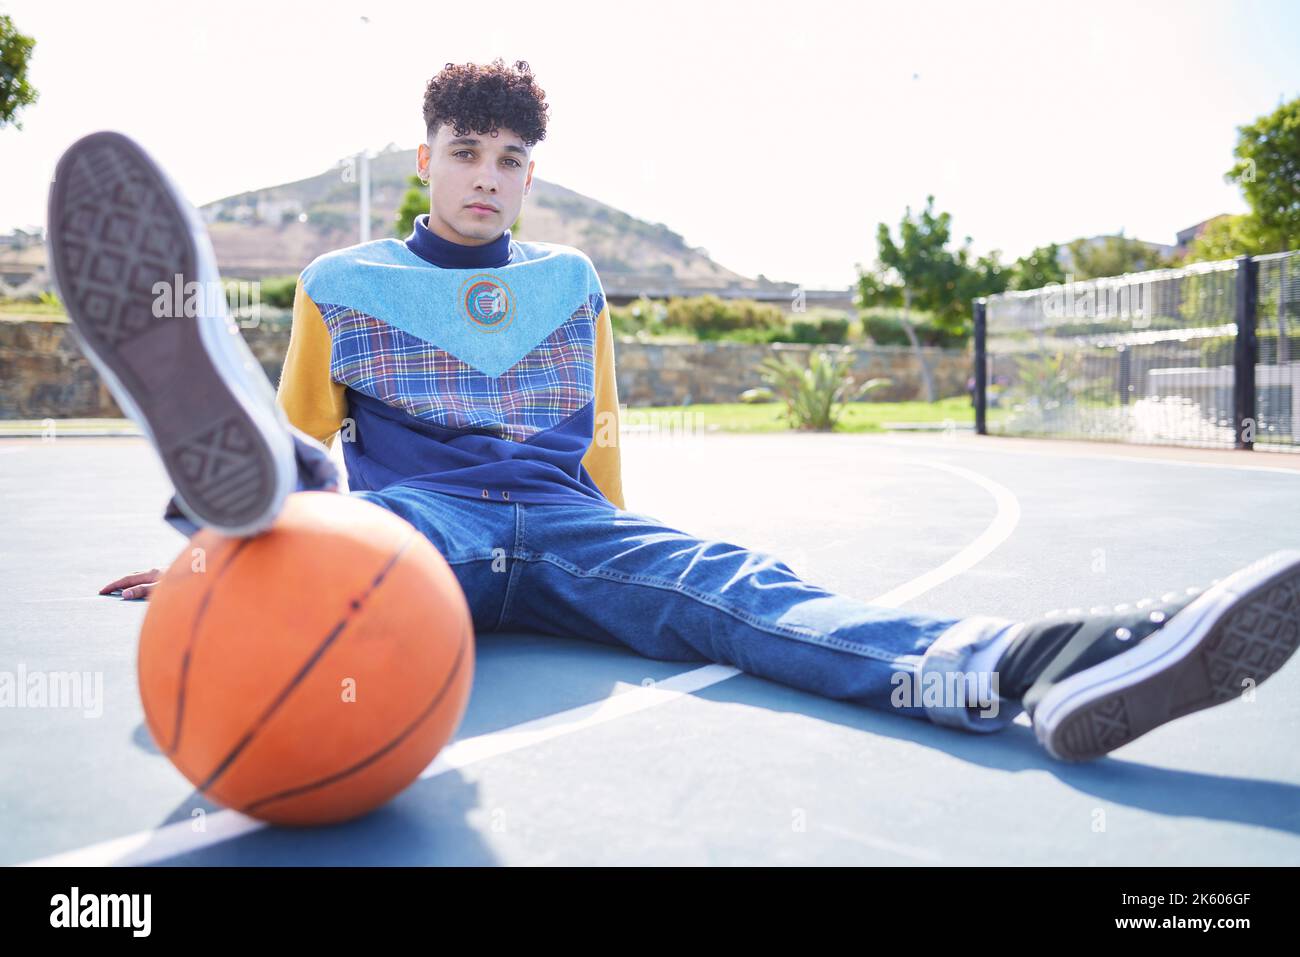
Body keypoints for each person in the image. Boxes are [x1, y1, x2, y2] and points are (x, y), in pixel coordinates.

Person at [48, 59, 1300, 764]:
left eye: (512, 161)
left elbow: (598, 440)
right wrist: (228, 559)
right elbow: (315, 425)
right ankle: (246, 502)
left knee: (740, 589)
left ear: (532, 176)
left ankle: (1015, 666)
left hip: (567, 521)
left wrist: (621, 547)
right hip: (409, 517)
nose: (489, 178)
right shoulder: (341, 281)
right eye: (466, 153)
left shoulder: (569, 280)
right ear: (423, 155)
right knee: (313, 498)